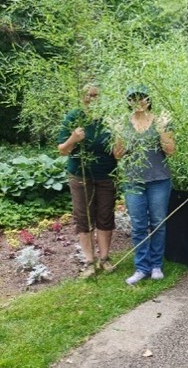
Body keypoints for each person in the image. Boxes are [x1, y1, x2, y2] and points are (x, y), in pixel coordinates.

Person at [114, 84, 176, 285]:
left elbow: (170, 150)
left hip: (159, 179)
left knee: (158, 222)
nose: (138, 102)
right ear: (128, 101)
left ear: (148, 100)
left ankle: (156, 265)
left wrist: (160, 129)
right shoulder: (124, 124)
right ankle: (141, 267)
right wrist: (117, 133)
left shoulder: (161, 120)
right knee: (139, 225)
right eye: (133, 98)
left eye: (142, 97)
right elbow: (118, 154)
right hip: (133, 180)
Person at [58, 83, 118, 278]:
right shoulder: (74, 117)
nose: (93, 99)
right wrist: (73, 138)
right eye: (89, 96)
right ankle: (89, 261)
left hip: (107, 175)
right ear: (82, 97)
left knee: (105, 216)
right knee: (83, 217)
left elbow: (118, 153)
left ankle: (105, 259)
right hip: (80, 176)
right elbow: (62, 149)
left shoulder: (110, 119)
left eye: (96, 96)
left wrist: (118, 135)